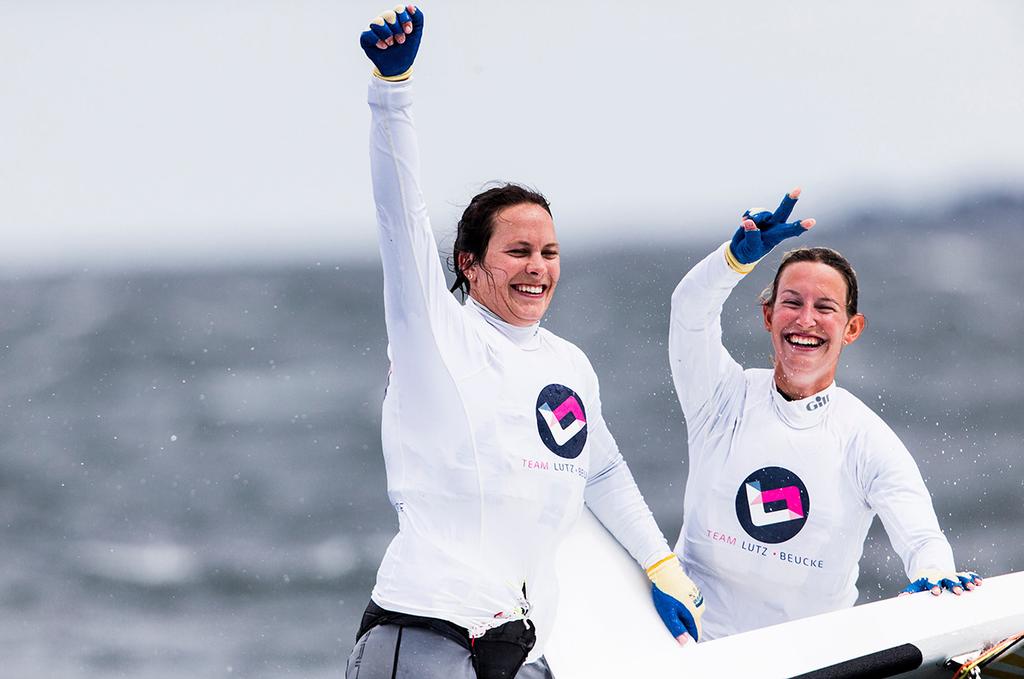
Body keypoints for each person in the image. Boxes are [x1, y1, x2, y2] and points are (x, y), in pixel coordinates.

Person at [348, 6, 703, 678]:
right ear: (470, 262)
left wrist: (660, 565)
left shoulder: (567, 365)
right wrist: (390, 92)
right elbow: (400, 214)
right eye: (517, 251)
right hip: (424, 637)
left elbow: (600, 469)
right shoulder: (438, 338)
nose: (537, 267)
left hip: (523, 647)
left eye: (549, 251)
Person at [667, 189, 983, 640]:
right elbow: (690, 310)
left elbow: (921, 536)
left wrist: (935, 572)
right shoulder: (719, 398)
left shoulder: (864, 438)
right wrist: (731, 260)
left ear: (852, 328)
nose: (806, 319)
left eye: (825, 308)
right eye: (792, 302)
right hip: (691, 647)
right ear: (768, 315)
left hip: (810, 660)